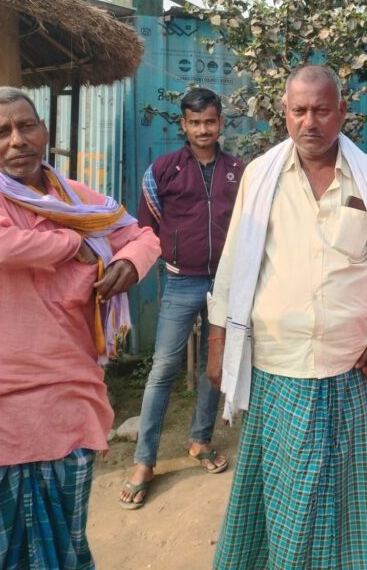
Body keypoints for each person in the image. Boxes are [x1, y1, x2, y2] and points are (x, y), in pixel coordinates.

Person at [0, 86, 160, 569]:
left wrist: (128, 261)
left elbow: (142, 235)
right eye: (0, 132)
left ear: (43, 130)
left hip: (65, 396)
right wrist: (75, 245)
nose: (17, 140)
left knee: (61, 547)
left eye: (26, 126)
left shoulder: (76, 199)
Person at [206, 65, 367, 569]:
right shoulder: (262, 176)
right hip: (277, 365)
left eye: (322, 110)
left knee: (343, 486)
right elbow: (234, 263)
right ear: (285, 113)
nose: (310, 122)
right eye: (299, 110)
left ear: (342, 111)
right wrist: (218, 345)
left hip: (351, 365)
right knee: (284, 485)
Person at [119, 87, 244, 508]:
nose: (203, 130)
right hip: (181, 283)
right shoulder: (163, 170)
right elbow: (147, 226)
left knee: (214, 365)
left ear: (220, 122)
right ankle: (144, 461)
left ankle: (200, 441)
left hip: (224, 284)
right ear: (184, 125)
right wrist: (170, 257)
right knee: (163, 369)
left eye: (210, 121)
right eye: (195, 123)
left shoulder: (238, 171)